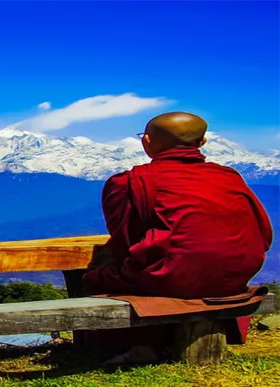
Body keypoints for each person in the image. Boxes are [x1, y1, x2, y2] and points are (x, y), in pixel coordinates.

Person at [81, 112, 273, 362]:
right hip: (235, 276)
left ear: (146, 141)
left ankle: (139, 347)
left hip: (171, 277)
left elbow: (125, 240)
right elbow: (263, 232)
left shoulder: (128, 182)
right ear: (202, 142)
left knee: (98, 278)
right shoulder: (229, 177)